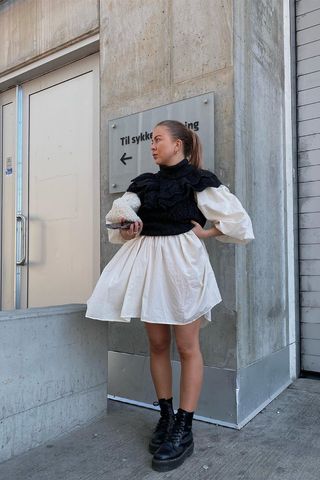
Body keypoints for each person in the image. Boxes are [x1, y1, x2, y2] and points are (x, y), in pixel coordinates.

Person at [85, 119, 255, 472]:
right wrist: (129, 227)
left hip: (183, 266)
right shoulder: (143, 184)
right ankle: (165, 416)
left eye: (158, 139)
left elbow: (237, 220)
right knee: (158, 345)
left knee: (187, 346)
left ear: (178, 144)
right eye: (151, 140)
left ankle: (184, 426)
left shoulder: (198, 180)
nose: (152, 145)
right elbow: (119, 214)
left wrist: (208, 234)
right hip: (149, 265)